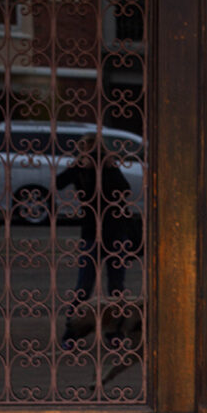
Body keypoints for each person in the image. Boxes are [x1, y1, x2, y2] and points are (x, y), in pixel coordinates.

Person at [57, 133, 142, 347]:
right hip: (91, 233)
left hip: (115, 232)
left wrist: (108, 166)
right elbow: (58, 183)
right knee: (84, 286)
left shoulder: (110, 167)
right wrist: (78, 166)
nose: (91, 152)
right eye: (87, 147)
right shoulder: (79, 168)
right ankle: (72, 332)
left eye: (94, 148)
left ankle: (114, 332)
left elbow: (124, 191)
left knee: (116, 287)